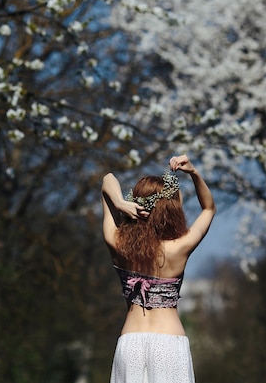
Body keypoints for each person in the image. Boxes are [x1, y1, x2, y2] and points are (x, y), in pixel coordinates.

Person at [101, 154, 216, 383]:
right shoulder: (178, 249)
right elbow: (209, 209)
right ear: (170, 211)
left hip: (130, 344)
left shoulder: (118, 243)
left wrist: (120, 203)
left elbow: (107, 179)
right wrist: (194, 172)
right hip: (169, 344)